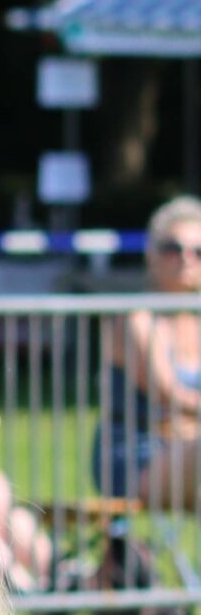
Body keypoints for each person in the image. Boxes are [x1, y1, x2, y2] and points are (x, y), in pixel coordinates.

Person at [93, 194, 201, 512]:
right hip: (134, 456)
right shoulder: (138, 319)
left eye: (198, 251)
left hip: (185, 447)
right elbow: (167, 395)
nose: (186, 259)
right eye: (173, 248)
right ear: (151, 255)